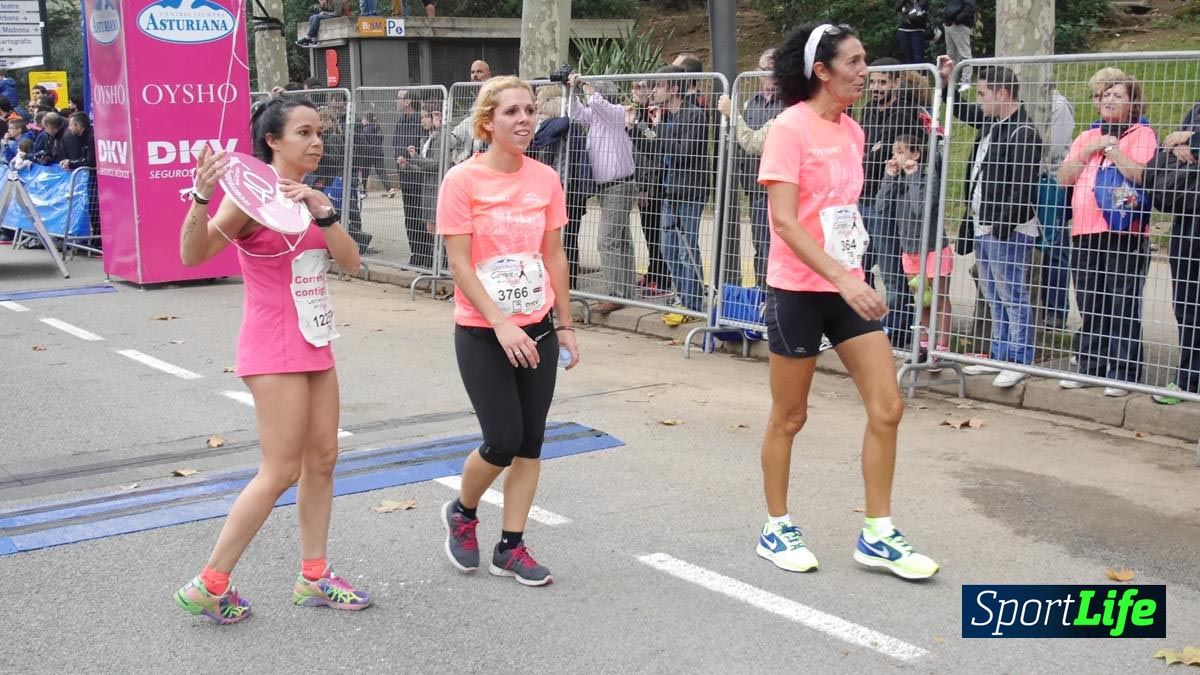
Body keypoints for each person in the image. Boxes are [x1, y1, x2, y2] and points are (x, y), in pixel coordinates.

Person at [174, 96, 370, 624]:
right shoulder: (249, 201)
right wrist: (201, 195)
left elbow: (350, 262)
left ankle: (314, 576)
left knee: (323, 460)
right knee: (281, 469)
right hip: (271, 344)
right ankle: (209, 583)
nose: (315, 142)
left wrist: (322, 211)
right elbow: (192, 255)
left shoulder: (312, 198)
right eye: (303, 132)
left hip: (315, 340)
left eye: (320, 133)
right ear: (273, 141)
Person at [754, 23, 938, 580]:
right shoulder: (789, 128)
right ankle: (776, 526)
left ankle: (877, 532)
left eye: (864, 62)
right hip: (798, 291)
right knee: (790, 416)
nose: (865, 71)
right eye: (854, 62)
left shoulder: (854, 132)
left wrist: (858, 273)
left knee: (888, 406)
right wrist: (844, 277)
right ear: (822, 70)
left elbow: (842, 214)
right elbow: (784, 220)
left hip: (845, 288)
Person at [436, 76, 579, 587]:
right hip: (482, 329)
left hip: (537, 326)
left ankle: (511, 547)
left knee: (531, 442)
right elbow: (459, 262)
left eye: (530, 109)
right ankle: (464, 511)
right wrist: (500, 324)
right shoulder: (462, 180)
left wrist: (564, 322)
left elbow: (554, 254)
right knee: (502, 439)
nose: (524, 119)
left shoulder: (545, 179)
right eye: (512, 111)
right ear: (487, 122)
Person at [939, 57, 1043, 389]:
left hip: (1007, 228)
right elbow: (964, 111)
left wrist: (1002, 226)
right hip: (983, 223)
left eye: (984, 94)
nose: (980, 100)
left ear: (1002, 93)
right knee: (993, 291)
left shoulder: (1024, 131)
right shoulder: (992, 123)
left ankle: (1019, 358)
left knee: (1012, 292)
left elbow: (1022, 187)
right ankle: (999, 353)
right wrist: (946, 85)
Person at [1057, 72, 1157, 398]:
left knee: (1122, 301)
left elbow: (1141, 174)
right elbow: (1064, 177)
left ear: (1132, 102)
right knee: (1090, 300)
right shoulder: (1087, 136)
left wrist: (1112, 151)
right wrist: (1090, 150)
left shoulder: (1142, 133)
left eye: (1117, 95)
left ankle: (1123, 371)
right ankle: (1090, 365)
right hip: (1085, 230)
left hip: (1124, 231)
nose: (1108, 101)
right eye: (1102, 96)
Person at [874, 134, 950, 363]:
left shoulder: (928, 179)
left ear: (915, 154)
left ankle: (942, 347)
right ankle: (925, 345)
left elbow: (921, 208)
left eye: (900, 151)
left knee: (938, 297)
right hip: (910, 250)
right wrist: (889, 178)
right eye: (894, 151)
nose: (895, 156)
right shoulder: (898, 181)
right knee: (922, 300)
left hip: (933, 249)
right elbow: (881, 206)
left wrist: (913, 175)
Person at [1154, 105, 1200, 404]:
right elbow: (1168, 146)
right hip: (1189, 217)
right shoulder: (1196, 109)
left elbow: (1186, 140)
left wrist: (1192, 140)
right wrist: (1177, 147)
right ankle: (1188, 381)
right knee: (1186, 304)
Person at [942, 0, 976, 90]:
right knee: (951, 56)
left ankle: (966, 81)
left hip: (960, 25)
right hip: (949, 25)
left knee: (965, 54)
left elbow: (970, 7)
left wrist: (958, 19)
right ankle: (951, 81)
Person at [895, 0, 929, 64]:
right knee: (906, 55)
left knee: (918, 56)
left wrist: (905, 10)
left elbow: (920, 9)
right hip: (904, 29)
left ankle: (919, 73)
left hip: (918, 29)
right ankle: (908, 73)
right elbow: (897, 7)